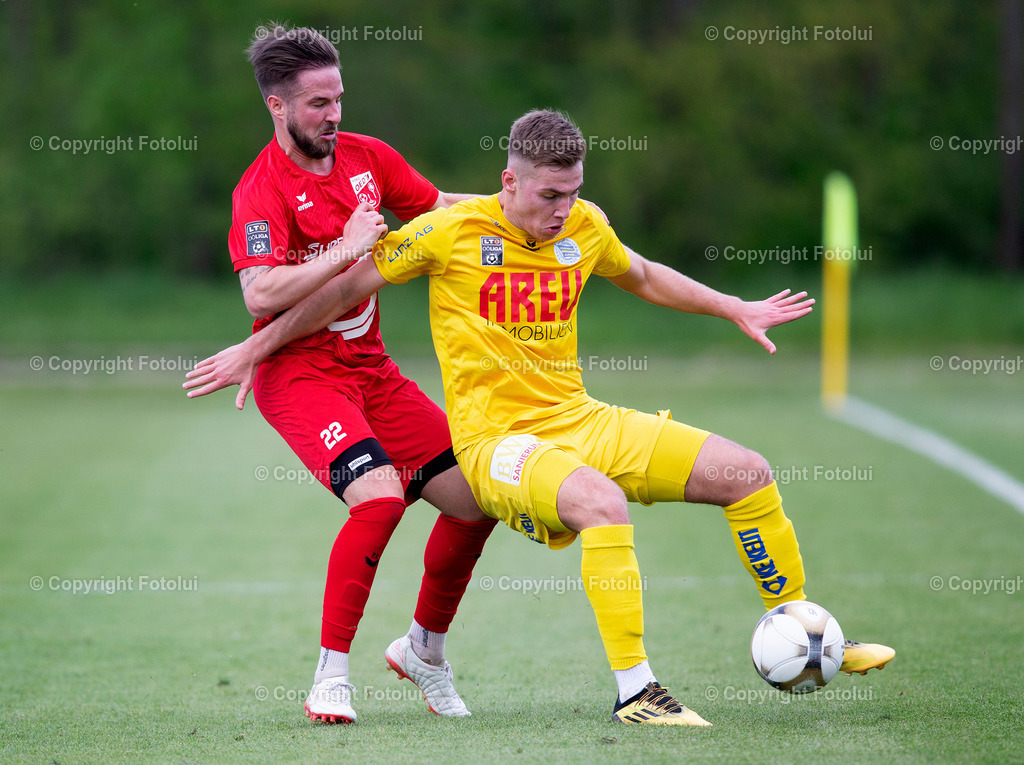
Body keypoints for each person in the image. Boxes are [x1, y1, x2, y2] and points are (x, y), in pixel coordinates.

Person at [187, 109, 895, 726]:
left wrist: (733, 306)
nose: (563, 208)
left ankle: (803, 624)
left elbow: (642, 274)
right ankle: (637, 690)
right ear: (510, 181)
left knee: (748, 471)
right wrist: (258, 346)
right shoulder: (446, 232)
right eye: (550, 194)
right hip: (496, 442)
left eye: (574, 192)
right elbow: (345, 286)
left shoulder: (584, 227)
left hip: (580, 418)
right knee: (601, 502)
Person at [185, 23, 502, 724]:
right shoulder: (260, 190)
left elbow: (438, 208)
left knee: (478, 501)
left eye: (338, 98)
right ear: (277, 106)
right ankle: (330, 676)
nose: (333, 114)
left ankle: (423, 649)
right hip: (299, 378)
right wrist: (348, 248)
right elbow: (260, 294)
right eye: (317, 103)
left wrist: (522, 208)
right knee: (381, 499)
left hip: (374, 375)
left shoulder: (369, 159)